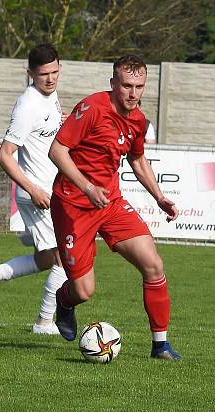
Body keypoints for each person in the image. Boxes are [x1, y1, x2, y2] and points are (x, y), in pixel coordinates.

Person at [48, 54, 182, 361]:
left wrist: (158, 196)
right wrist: (87, 187)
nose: (133, 93)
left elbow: (136, 159)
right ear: (113, 84)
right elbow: (57, 151)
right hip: (73, 205)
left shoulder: (138, 120)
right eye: (126, 85)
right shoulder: (91, 108)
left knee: (154, 265)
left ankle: (160, 345)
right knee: (83, 291)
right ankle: (64, 301)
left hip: (110, 204)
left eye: (139, 86)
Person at [0, 43, 68, 335]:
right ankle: (44, 322)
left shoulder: (51, 95)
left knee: (45, 261)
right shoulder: (27, 105)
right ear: (30, 73)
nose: (51, 79)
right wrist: (32, 189)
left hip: (49, 189)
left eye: (55, 71)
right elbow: (4, 155)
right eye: (44, 74)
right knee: (65, 257)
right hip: (38, 193)